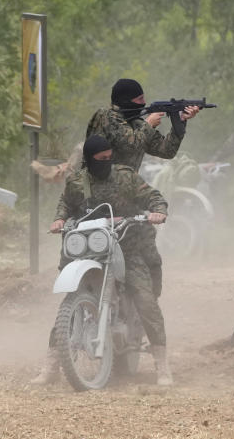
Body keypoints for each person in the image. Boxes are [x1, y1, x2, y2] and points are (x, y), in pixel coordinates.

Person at [32, 135, 174, 386]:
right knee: (69, 301)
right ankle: (52, 366)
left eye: (109, 158)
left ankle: (162, 367)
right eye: (101, 160)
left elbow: (152, 195)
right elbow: (66, 203)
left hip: (127, 246)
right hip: (90, 245)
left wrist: (158, 211)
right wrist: (60, 219)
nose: (106, 163)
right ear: (88, 160)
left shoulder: (124, 176)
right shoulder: (77, 181)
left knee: (144, 298)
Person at [86, 78, 200, 297]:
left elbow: (166, 151)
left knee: (150, 256)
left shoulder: (138, 124)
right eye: (139, 99)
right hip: (97, 196)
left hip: (127, 196)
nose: (143, 102)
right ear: (126, 99)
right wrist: (148, 124)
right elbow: (129, 142)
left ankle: (145, 305)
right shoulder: (105, 117)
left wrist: (180, 123)